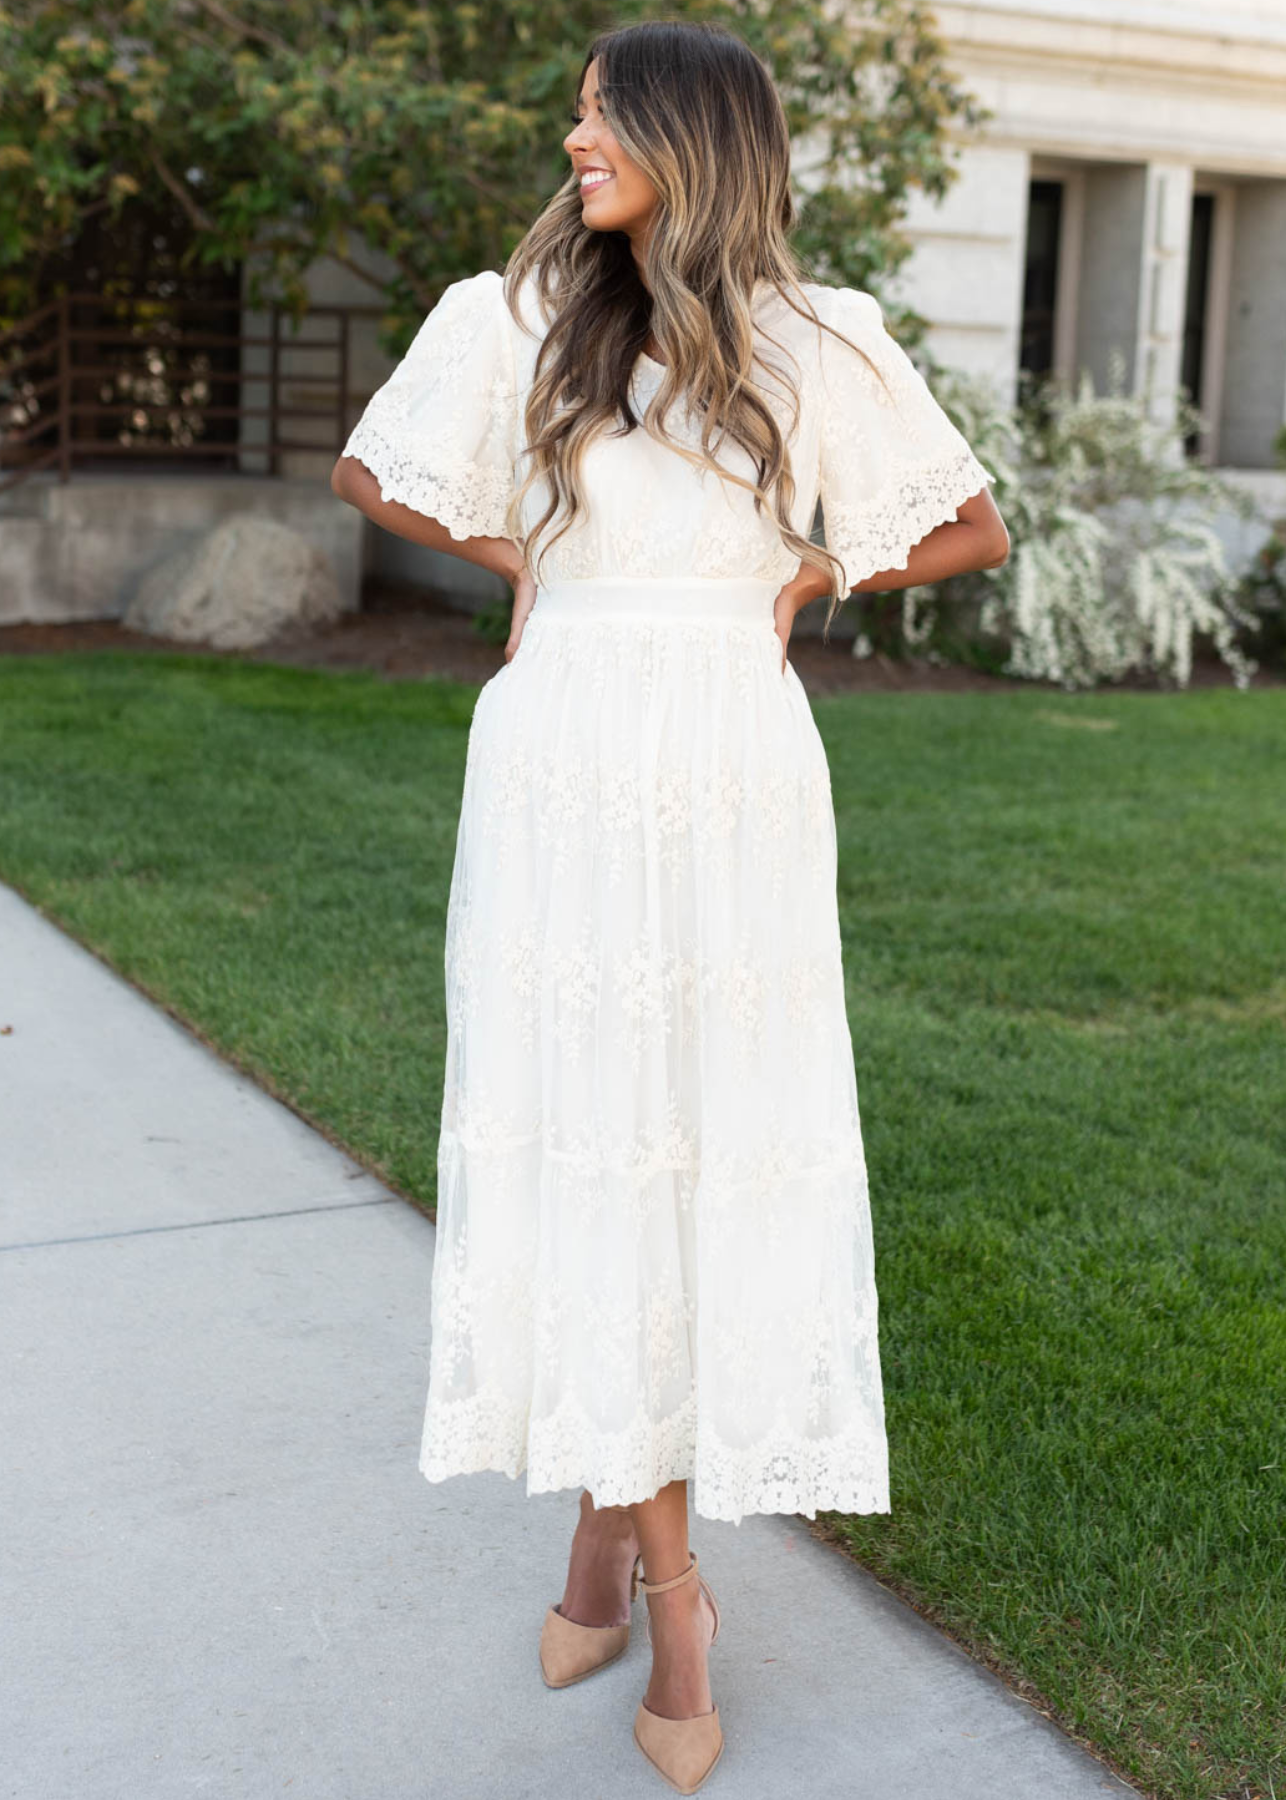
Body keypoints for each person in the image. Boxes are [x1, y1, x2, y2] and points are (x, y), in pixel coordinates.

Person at [331, 18, 1008, 1793]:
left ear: (691, 141)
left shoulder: (814, 336)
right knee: (579, 1135)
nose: (571, 142)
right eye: (570, 117)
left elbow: (968, 528)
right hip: (561, 760)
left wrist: (802, 571)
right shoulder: (512, 316)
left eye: (601, 118)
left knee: (696, 1149)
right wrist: (536, 563)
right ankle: (666, 1582)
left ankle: (619, 1559)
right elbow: (374, 473)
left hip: (729, 771)